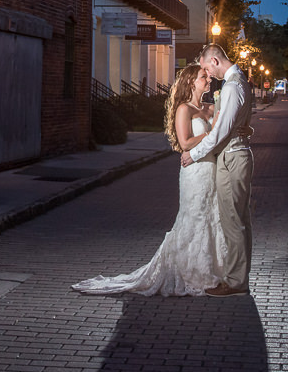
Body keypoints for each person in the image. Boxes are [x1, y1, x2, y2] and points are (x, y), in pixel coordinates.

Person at [72, 63, 227, 296]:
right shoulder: (184, 109)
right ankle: (191, 273)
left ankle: (210, 269)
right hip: (194, 172)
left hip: (210, 170)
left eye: (207, 76)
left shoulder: (208, 107)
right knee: (193, 217)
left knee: (210, 217)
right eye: (203, 77)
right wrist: (211, 132)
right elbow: (184, 143)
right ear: (190, 82)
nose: (208, 80)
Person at [182, 43, 255, 297]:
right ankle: (238, 277)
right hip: (237, 153)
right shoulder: (239, 81)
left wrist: (194, 154)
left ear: (214, 61)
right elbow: (234, 123)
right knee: (239, 219)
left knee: (233, 221)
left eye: (205, 68)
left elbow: (220, 132)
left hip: (232, 157)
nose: (207, 75)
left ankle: (235, 283)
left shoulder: (233, 86)